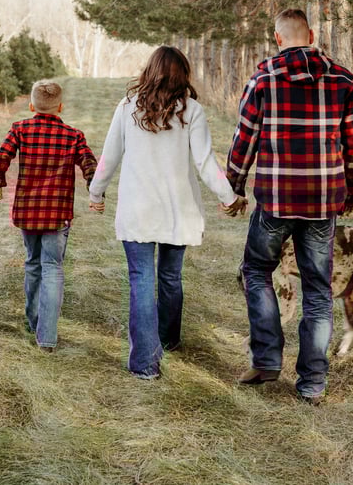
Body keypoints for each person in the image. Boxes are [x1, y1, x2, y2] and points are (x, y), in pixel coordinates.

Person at [227, 8, 353, 404]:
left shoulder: (263, 79)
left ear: (277, 38)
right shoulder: (342, 80)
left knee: (256, 270)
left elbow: (244, 139)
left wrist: (234, 185)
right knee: (318, 290)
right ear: (311, 35)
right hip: (323, 203)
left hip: (275, 199)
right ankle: (312, 382)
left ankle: (268, 360)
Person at [89, 46, 246, 380]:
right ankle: (168, 340)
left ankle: (146, 363)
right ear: (183, 75)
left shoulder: (128, 107)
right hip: (178, 212)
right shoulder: (191, 111)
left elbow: (109, 156)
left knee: (142, 282)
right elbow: (206, 163)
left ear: (150, 71)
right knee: (170, 278)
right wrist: (228, 196)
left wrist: (96, 192)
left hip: (138, 211)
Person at [0, 80, 97, 352]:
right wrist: (96, 189)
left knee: (33, 264)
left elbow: (0, 160)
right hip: (57, 215)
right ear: (60, 107)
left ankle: (34, 321)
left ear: (32, 105)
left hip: (28, 212)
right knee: (53, 268)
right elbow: (89, 164)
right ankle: (46, 336)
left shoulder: (20, 129)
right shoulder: (73, 135)